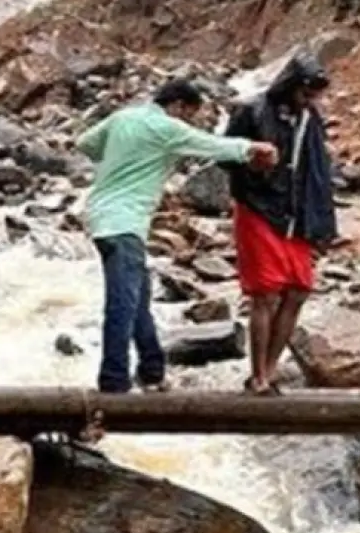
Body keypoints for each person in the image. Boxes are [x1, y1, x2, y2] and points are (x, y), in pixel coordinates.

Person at [77, 79, 277, 395]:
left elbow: (85, 144)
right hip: (125, 221)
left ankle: (152, 370)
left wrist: (120, 160)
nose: (186, 123)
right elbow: (210, 144)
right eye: (189, 115)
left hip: (102, 217)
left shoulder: (123, 118)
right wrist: (253, 148)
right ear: (179, 106)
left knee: (138, 299)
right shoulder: (166, 128)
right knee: (123, 305)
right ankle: (113, 383)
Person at [224, 52, 338, 394]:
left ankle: (271, 370)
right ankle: (257, 375)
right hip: (259, 208)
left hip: (297, 213)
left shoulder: (310, 118)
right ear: (291, 86)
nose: (310, 100)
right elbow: (223, 154)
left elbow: (317, 171)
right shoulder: (252, 111)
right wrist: (251, 163)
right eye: (306, 93)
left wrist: (322, 224)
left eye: (314, 95)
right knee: (266, 295)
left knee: (298, 291)